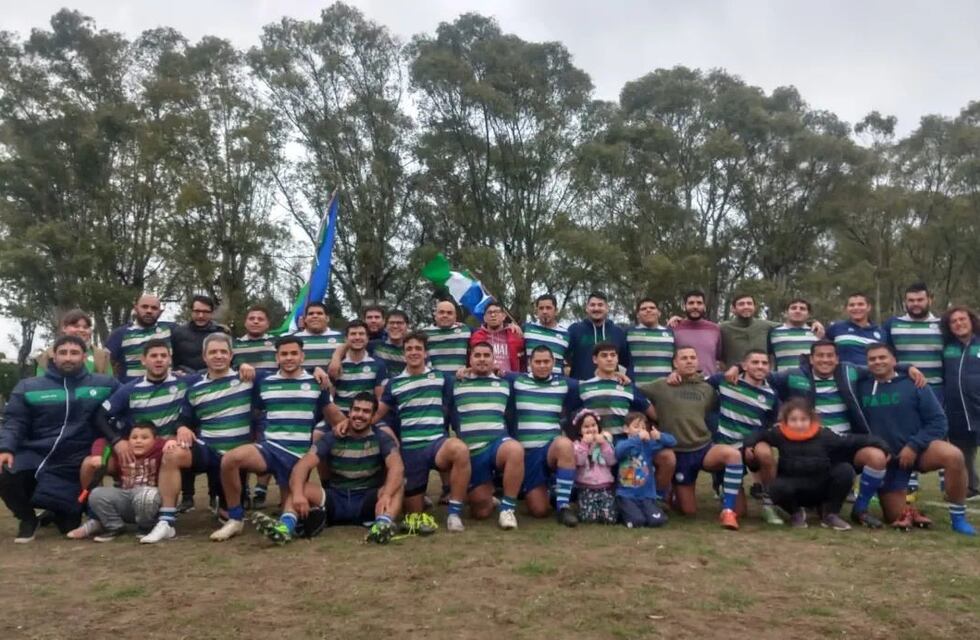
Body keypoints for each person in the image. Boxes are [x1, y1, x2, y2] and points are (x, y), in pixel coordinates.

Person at [768, 339, 924, 528]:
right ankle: (806, 505)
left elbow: (879, 366)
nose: (825, 360)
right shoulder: (794, 375)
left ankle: (860, 509)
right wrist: (737, 368)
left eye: (830, 355)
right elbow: (763, 375)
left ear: (837, 358)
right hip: (811, 447)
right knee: (793, 483)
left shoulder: (849, 370)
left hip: (845, 443)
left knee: (876, 456)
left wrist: (907, 367)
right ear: (811, 358)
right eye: (820, 356)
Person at [208, 335, 331, 541]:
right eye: (284, 354)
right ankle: (235, 519)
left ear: (303, 356)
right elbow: (251, 405)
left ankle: (286, 527)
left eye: (294, 353)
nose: (289, 358)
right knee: (230, 459)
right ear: (277, 357)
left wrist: (347, 428)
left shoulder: (316, 382)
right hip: (270, 448)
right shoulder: (264, 380)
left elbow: (331, 414)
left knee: (290, 504)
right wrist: (242, 364)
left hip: (298, 456)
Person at [0, 336, 119, 542]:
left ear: (84, 356)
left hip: (76, 459)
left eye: (74, 353)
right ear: (53, 356)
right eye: (63, 353)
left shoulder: (105, 384)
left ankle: (58, 512)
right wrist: (6, 448)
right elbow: (14, 422)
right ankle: (27, 518)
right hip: (36, 453)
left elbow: (124, 410)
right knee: (4, 470)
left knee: (68, 526)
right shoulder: (28, 386)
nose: (68, 358)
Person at [140, 333, 255, 543]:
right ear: (204, 356)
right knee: (172, 453)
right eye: (213, 352)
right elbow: (183, 418)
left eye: (223, 352)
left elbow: (286, 374)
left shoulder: (248, 378)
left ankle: (235, 505)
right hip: (209, 451)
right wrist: (182, 427)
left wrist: (319, 370)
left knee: (228, 513)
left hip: (240, 454)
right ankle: (166, 522)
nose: (218, 356)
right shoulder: (194, 387)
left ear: (231, 356)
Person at [856, 343, 974, 535]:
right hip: (887, 459)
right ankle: (908, 510)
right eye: (872, 359)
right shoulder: (860, 385)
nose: (878, 362)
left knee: (953, 456)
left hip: (919, 451)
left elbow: (938, 421)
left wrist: (914, 445)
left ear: (894, 360)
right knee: (895, 517)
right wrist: (907, 366)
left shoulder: (915, 383)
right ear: (866, 362)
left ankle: (958, 518)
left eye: (883, 357)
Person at [254, 393, 403, 544]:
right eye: (356, 410)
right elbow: (302, 466)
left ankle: (382, 525)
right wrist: (298, 495)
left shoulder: (381, 438)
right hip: (336, 497)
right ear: (349, 413)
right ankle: (285, 528)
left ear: (372, 417)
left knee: (397, 485)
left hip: (367, 498)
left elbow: (397, 467)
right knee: (300, 487)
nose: (359, 415)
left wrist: (386, 496)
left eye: (366, 411)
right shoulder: (332, 436)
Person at [373, 332, 471, 532]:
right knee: (413, 515)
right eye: (409, 349)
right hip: (410, 451)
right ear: (404, 353)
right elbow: (378, 415)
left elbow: (451, 407)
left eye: (418, 348)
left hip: (437, 444)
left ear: (426, 353)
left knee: (459, 449)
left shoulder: (441, 378)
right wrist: (350, 424)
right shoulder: (394, 383)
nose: (414, 352)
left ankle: (454, 513)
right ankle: (417, 501)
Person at [639, 346, 744, 530]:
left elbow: (726, 385)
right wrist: (651, 413)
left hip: (703, 447)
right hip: (678, 452)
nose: (689, 361)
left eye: (693, 357)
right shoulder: (661, 385)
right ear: (674, 363)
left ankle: (728, 511)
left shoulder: (707, 388)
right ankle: (669, 493)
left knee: (733, 455)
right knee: (688, 512)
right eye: (684, 358)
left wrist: (738, 368)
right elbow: (634, 391)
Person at [745, 399, 890, 530]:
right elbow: (760, 434)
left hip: (820, 486)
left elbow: (852, 441)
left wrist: (882, 445)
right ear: (786, 420)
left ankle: (830, 514)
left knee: (845, 470)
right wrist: (749, 445)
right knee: (776, 487)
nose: (799, 424)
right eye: (793, 420)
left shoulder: (824, 434)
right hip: (794, 486)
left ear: (811, 419)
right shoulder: (778, 434)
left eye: (803, 419)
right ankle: (795, 513)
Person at [95, 339, 196, 510]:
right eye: (153, 356)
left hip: (169, 447)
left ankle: (167, 513)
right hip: (140, 450)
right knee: (93, 463)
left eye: (163, 356)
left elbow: (214, 373)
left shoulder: (184, 383)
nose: (159, 359)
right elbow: (100, 416)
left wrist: (242, 368)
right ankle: (94, 512)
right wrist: (117, 441)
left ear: (170, 359)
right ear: (143, 360)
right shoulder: (129, 389)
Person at [453, 341, 525, 529]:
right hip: (472, 452)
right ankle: (488, 497)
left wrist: (506, 372)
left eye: (487, 356)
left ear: (494, 360)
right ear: (470, 359)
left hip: (497, 444)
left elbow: (532, 376)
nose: (482, 359)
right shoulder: (456, 382)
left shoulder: (505, 382)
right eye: (477, 355)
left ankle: (507, 510)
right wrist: (460, 371)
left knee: (515, 450)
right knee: (480, 512)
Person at [507, 345, 579, 526]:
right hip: (527, 455)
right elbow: (491, 372)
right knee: (539, 511)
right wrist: (464, 371)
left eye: (546, 361)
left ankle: (563, 506)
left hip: (550, 449)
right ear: (529, 363)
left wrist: (618, 376)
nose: (542, 365)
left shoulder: (564, 384)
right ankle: (552, 491)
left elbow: (593, 383)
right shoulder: (516, 380)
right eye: (537, 362)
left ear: (554, 363)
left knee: (564, 444)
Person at [67, 423, 165, 541]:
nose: (138, 441)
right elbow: (101, 441)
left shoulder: (158, 450)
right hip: (125, 497)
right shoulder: (123, 452)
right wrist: (97, 455)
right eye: (134, 438)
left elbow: (168, 442)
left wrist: (171, 443)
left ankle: (146, 528)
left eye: (144, 438)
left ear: (155, 440)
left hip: (149, 499)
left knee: (146, 496)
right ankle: (113, 526)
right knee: (96, 494)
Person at [941, 306, 980, 500]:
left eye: (962, 319)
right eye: (953, 321)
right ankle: (970, 488)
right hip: (957, 412)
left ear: (971, 320)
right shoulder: (947, 348)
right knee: (964, 453)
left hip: (977, 406)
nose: (958, 323)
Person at [614, 412, 676, 528]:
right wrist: (637, 439)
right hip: (627, 494)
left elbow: (673, 441)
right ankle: (624, 514)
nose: (641, 430)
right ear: (626, 429)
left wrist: (659, 436)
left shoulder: (648, 445)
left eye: (643, 428)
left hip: (646, 495)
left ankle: (652, 510)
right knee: (637, 521)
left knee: (656, 521)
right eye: (636, 427)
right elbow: (618, 452)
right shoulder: (622, 443)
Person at [327, 321, 387, 422]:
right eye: (353, 334)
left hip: (366, 417)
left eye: (361, 334)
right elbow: (329, 399)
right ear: (346, 339)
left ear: (367, 338)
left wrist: (368, 421)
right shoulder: (336, 364)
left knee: (388, 435)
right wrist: (341, 420)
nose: (357, 337)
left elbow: (379, 399)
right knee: (317, 433)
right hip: (340, 415)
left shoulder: (378, 365)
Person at [105, 293, 173, 382]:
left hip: (166, 391)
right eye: (144, 307)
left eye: (154, 308)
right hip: (132, 392)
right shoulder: (120, 334)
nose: (149, 311)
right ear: (136, 308)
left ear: (160, 312)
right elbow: (103, 364)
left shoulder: (169, 330)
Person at [566, 291, 630, 380]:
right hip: (581, 387)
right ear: (587, 308)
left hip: (610, 387)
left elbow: (626, 362)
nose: (596, 308)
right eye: (592, 305)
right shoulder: (574, 330)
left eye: (600, 305)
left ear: (607, 308)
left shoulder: (618, 332)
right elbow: (564, 357)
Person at [570, 409, 617, 524]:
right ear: (579, 430)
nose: (591, 429)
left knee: (610, 519)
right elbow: (579, 462)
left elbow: (611, 461)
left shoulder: (605, 442)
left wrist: (604, 444)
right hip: (586, 488)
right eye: (586, 427)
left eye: (593, 425)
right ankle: (581, 507)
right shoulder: (576, 445)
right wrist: (585, 444)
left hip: (605, 487)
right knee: (589, 519)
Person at [34, 309, 111, 375]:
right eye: (76, 326)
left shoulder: (101, 355)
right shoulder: (47, 355)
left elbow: (109, 384)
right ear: (64, 328)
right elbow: (41, 386)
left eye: (86, 327)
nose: (81, 330)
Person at [172, 295, 228, 373]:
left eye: (205, 312)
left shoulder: (221, 332)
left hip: (214, 378)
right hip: (185, 380)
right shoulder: (178, 333)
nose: (201, 316)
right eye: (197, 311)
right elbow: (171, 361)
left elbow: (231, 360)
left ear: (212, 313)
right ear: (191, 312)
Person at [670, 290, 722, 375]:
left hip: (709, 384)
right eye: (691, 303)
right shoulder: (674, 328)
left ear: (704, 306)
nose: (695, 306)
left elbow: (720, 358)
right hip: (681, 383)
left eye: (699, 303)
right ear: (684, 306)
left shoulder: (715, 329)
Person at [825, 292, 884, 367]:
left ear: (869, 307)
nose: (856, 308)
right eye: (851, 305)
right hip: (842, 376)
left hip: (870, 377)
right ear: (847, 308)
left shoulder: (880, 332)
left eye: (860, 304)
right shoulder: (836, 328)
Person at [626, 298, 674, 386]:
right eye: (643, 309)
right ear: (637, 315)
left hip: (665, 389)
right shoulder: (628, 333)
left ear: (659, 313)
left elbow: (677, 360)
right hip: (637, 390)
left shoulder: (671, 333)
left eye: (652, 308)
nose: (648, 310)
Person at [470, 301, 524, 374]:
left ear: (504, 316)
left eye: (496, 312)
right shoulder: (476, 336)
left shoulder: (514, 334)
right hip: (486, 377)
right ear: (484, 318)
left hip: (510, 378)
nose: (493, 315)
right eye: (489, 312)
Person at [768, 298, 821, 370]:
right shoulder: (773, 332)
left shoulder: (817, 332)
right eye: (793, 308)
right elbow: (769, 359)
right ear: (786, 312)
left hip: (809, 379)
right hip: (782, 379)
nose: (797, 311)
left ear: (808, 314)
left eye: (802, 309)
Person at [523, 294, 569, 375]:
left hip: (556, 385)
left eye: (548, 308)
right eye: (541, 308)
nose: (544, 311)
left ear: (556, 310)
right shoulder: (526, 329)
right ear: (536, 311)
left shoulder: (566, 334)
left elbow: (569, 364)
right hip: (530, 385)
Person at [423, 299, 472, 374]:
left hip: (460, 381)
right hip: (434, 381)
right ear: (435, 315)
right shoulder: (424, 333)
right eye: (441, 312)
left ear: (455, 317)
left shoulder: (466, 330)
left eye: (449, 313)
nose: (445, 315)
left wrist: (470, 369)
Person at [294, 302, 344, 370]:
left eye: (319, 313)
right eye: (310, 314)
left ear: (327, 318)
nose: (315, 316)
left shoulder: (341, 338)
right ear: (305, 319)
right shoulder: (294, 339)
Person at [233, 305, 278, 374]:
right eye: (251, 318)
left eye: (260, 319)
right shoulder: (234, 345)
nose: (256, 322)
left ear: (267, 324)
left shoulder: (278, 343)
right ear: (245, 323)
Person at [370, 310, 409, 377]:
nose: (395, 326)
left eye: (399, 323)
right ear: (385, 325)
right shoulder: (373, 346)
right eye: (391, 323)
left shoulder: (413, 349)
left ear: (407, 326)